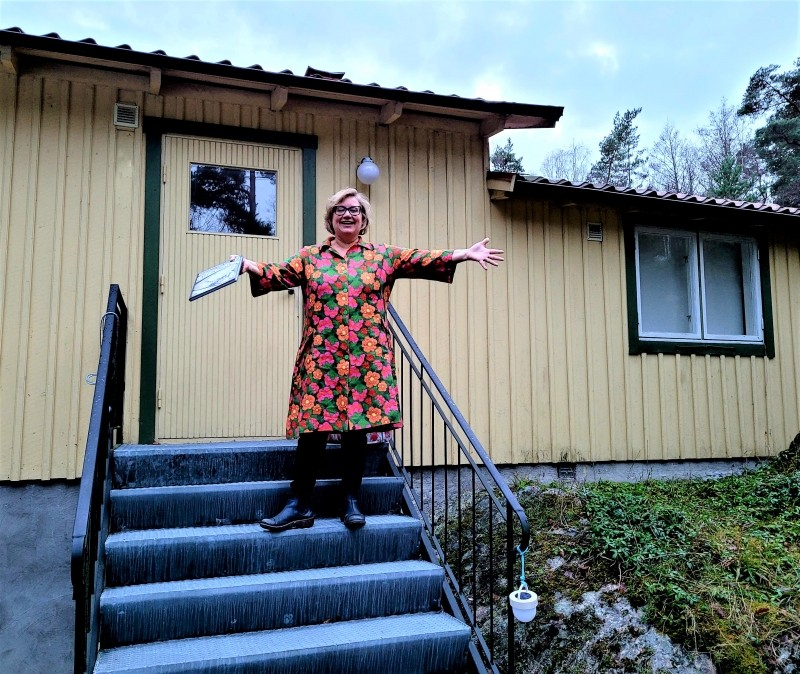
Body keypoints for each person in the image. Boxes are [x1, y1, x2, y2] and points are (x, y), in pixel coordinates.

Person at [236, 187, 503, 532]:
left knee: (357, 430)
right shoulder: (310, 257)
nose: (348, 215)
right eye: (340, 210)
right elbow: (277, 274)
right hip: (321, 358)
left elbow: (420, 258)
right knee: (313, 430)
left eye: (355, 210)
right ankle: (299, 504)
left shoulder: (382, 256)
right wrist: (249, 266)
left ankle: (350, 501)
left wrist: (463, 254)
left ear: (363, 220)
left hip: (366, 359)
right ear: (330, 219)